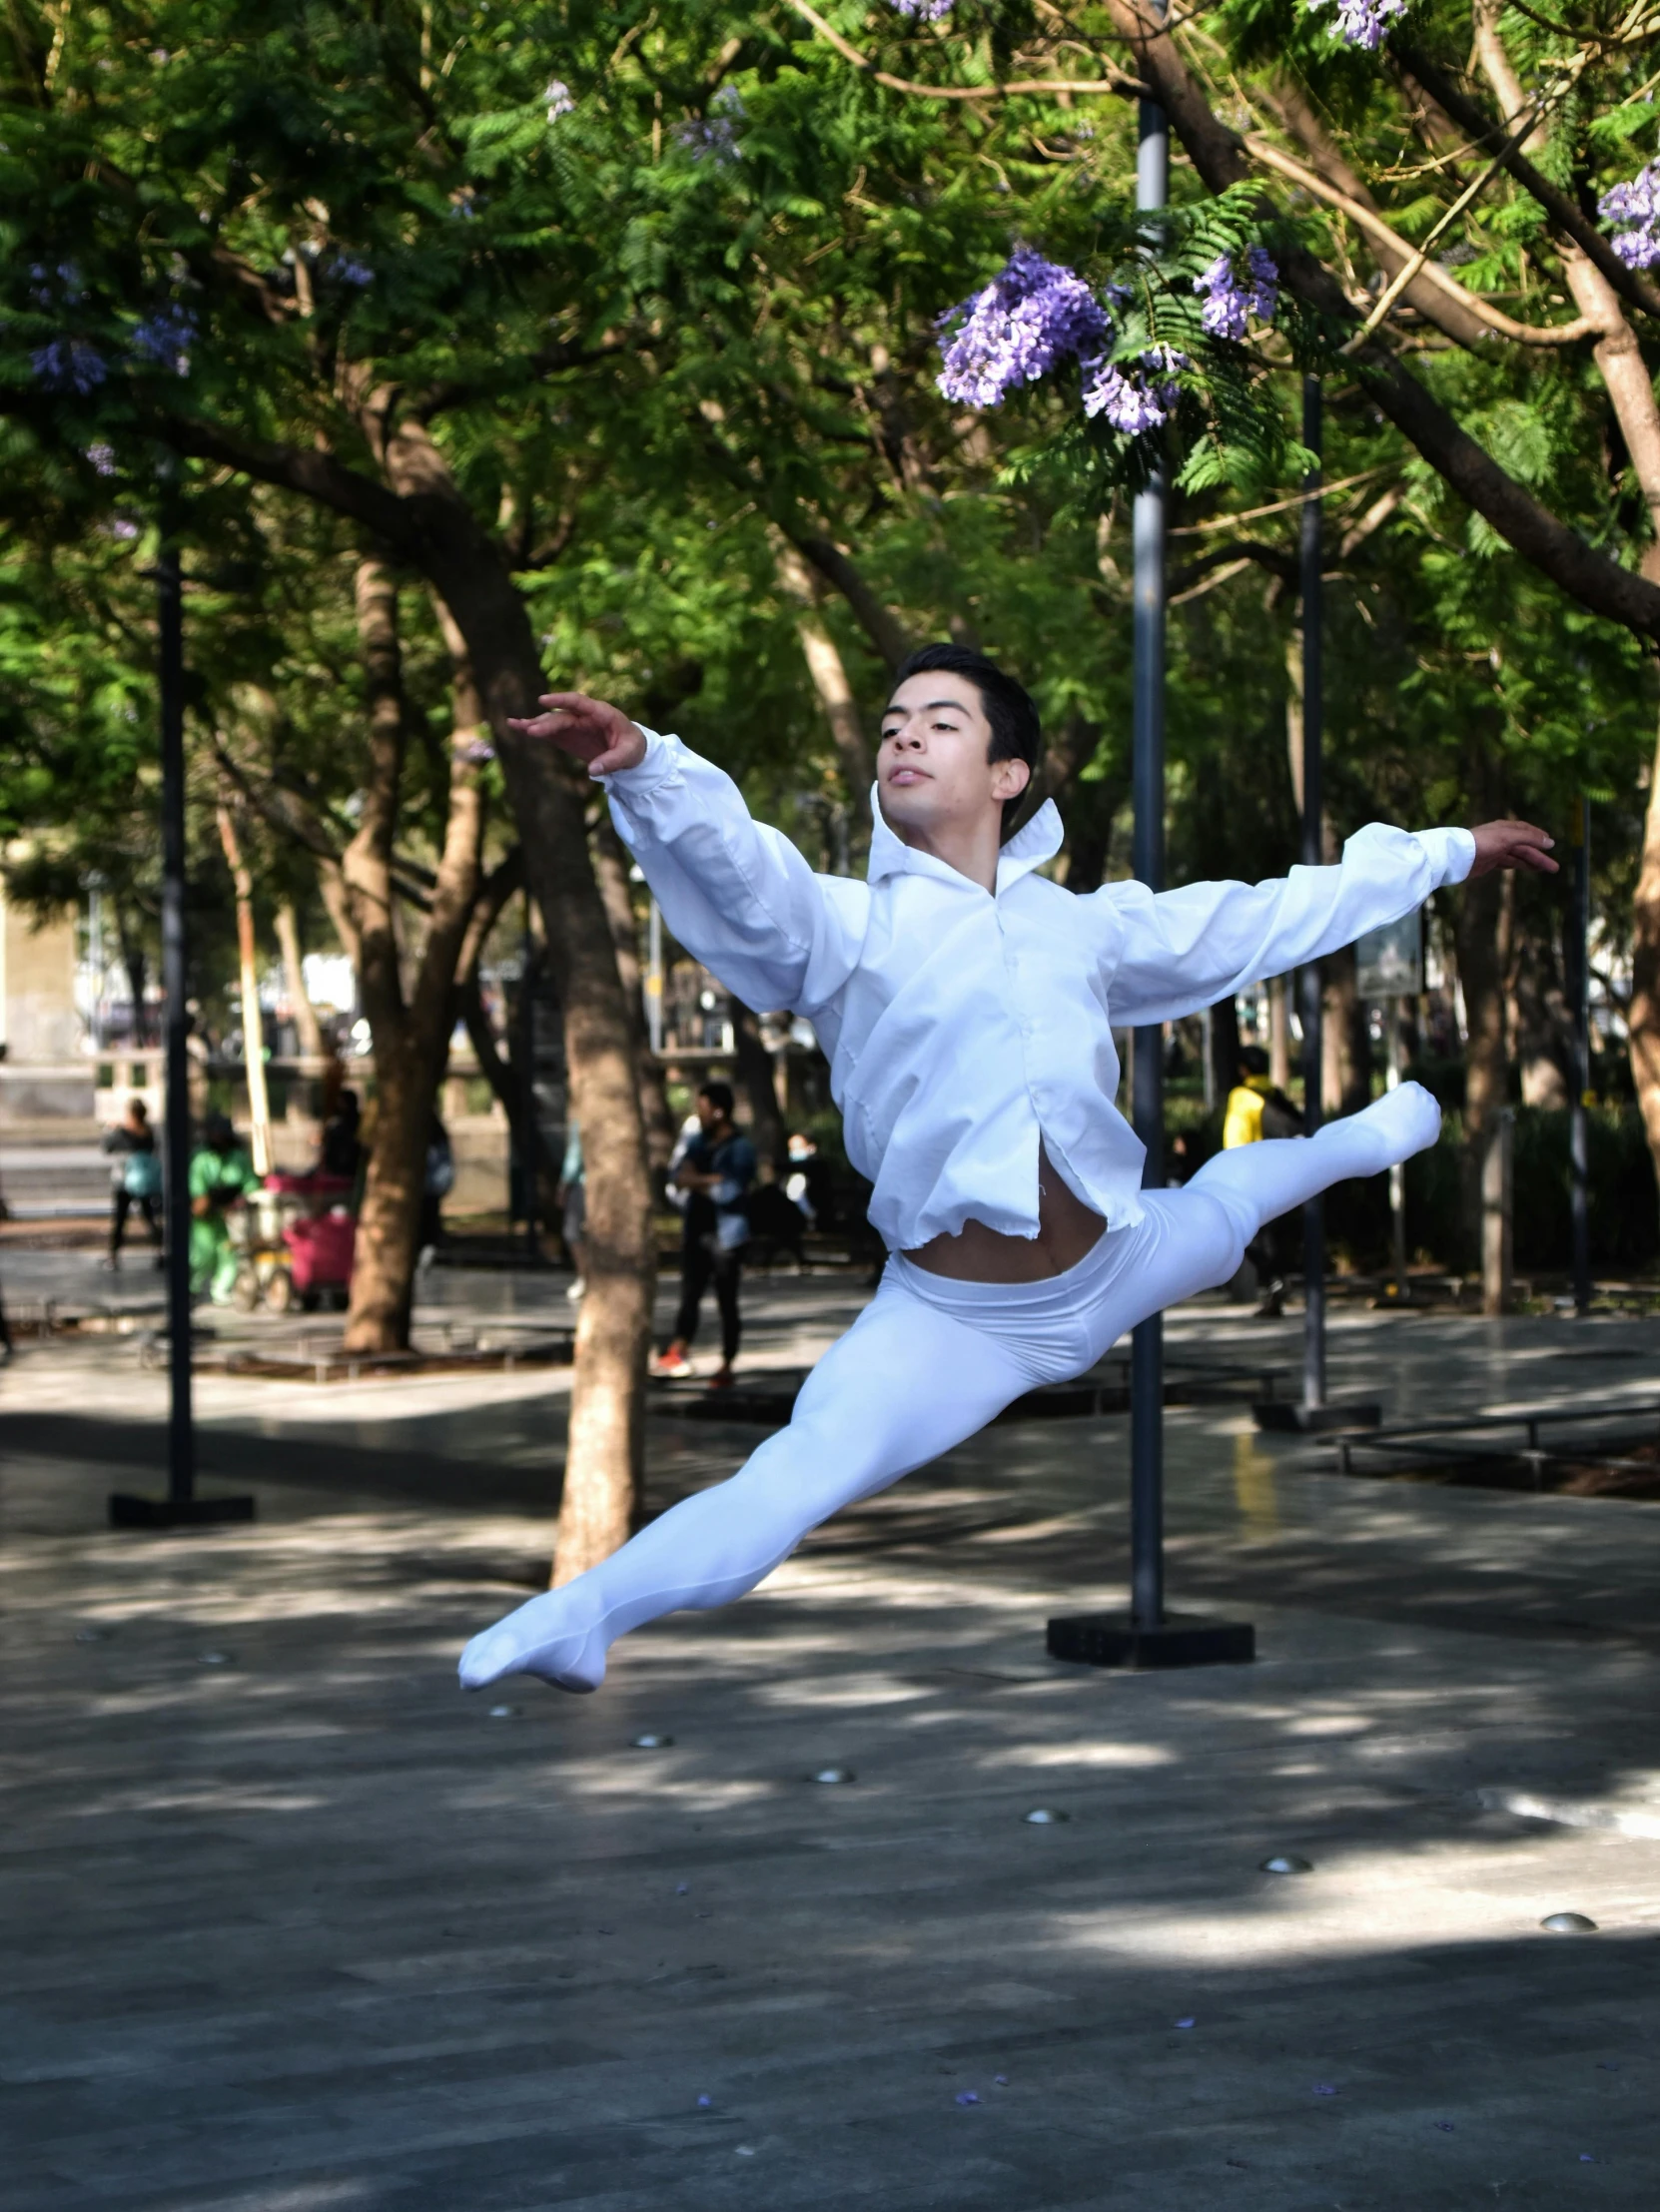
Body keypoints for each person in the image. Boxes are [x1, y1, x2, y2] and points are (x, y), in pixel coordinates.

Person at [460, 644, 1556, 1696]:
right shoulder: (847, 929)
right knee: (794, 1479)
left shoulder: (1080, 926)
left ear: (1008, 774)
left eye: (940, 724)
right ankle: (579, 1619)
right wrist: (651, 763)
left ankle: (1374, 1134)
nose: (904, 740)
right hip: (957, 1320)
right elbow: (742, 869)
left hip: (1112, 1260)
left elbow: (1265, 918)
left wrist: (1447, 851)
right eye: (891, 727)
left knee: (1232, 1205)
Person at [652, 1082, 756, 1387]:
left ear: (720, 1111)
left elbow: (729, 1190)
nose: (700, 1113)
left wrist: (697, 1179)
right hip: (697, 1230)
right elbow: (679, 1177)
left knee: (727, 1298)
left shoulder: (740, 1148)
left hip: (727, 1234)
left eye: (704, 1107)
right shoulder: (698, 1142)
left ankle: (727, 1362)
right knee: (690, 1294)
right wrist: (707, 1180)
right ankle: (678, 1350)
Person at [1223, 1045, 1304, 1316]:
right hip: (1285, 1177)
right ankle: (1275, 1291)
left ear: (1243, 1069)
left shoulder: (1242, 1096)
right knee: (1274, 1236)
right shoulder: (1275, 1094)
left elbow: (1236, 1140)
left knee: (1245, 1236)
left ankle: (1274, 1281)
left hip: (1256, 1177)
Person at [189, 1112, 257, 1304]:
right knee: (202, 1255)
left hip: (232, 1216)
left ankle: (221, 1289)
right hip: (206, 1217)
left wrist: (240, 1200)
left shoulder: (238, 1157)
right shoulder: (200, 1159)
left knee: (229, 1253)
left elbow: (250, 1183)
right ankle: (192, 1288)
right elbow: (197, 1192)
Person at [101, 1097, 163, 1270]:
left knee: (120, 1219)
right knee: (149, 1217)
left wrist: (112, 1129)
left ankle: (113, 1256)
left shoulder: (123, 1133)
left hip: (125, 1181)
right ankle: (159, 1251)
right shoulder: (148, 1132)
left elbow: (107, 1147)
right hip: (145, 1181)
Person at [558, 1116, 586, 1301]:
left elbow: (575, 1154)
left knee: (573, 1232)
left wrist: (564, 1184)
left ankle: (585, 1277)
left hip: (583, 1184)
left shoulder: (583, 1118)